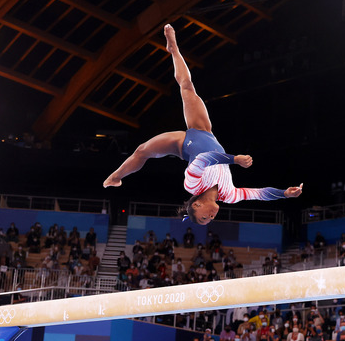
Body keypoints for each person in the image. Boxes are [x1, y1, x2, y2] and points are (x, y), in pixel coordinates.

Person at [103, 24, 303, 224]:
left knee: (141, 151)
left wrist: (234, 160)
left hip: (182, 143)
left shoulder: (192, 185)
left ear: (196, 205)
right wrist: (284, 194)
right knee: (188, 87)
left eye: (204, 217)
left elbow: (205, 158)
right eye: (210, 220)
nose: (211, 216)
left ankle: (115, 176)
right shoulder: (229, 195)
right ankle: (173, 49)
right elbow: (259, 194)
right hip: (205, 132)